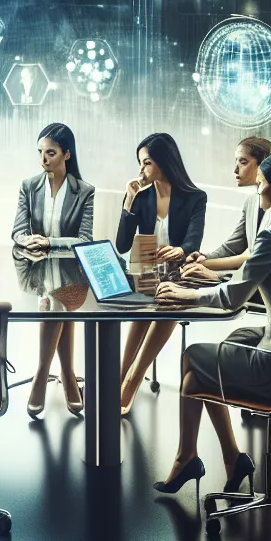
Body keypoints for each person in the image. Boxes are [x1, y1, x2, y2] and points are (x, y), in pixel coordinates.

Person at [151, 150, 271, 495]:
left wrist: (186, 294)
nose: (258, 190)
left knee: (193, 356)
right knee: (218, 351)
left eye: (262, 184)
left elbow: (232, 297)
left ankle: (190, 456)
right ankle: (225, 458)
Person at [113, 133, 210, 416]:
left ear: (163, 162)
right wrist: (128, 201)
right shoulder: (140, 197)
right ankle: (119, 378)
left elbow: (193, 243)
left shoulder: (194, 198)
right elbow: (121, 244)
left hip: (178, 272)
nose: (141, 170)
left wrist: (179, 251)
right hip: (144, 268)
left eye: (146, 163)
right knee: (145, 306)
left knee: (166, 299)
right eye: (140, 164)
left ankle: (131, 379)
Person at [11, 122, 95, 418]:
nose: (43, 159)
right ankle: (69, 377)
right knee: (58, 302)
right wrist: (29, 240)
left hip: (70, 273)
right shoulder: (29, 186)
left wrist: (50, 242)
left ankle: (40, 376)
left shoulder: (84, 191)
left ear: (67, 155)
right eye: (40, 152)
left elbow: (85, 240)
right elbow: (18, 231)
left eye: (50, 153)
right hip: (36, 270)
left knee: (56, 300)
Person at [183, 136, 271, 277]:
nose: (235, 170)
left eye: (243, 162)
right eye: (236, 162)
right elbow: (233, 247)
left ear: (262, 165)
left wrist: (207, 268)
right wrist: (204, 257)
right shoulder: (251, 202)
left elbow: (254, 258)